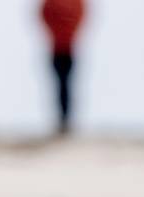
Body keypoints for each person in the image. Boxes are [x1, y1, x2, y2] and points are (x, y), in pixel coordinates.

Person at [42, 0, 87, 135]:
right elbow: (44, 14)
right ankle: (62, 121)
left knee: (67, 84)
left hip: (69, 48)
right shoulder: (52, 3)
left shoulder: (75, 3)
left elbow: (81, 15)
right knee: (60, 85)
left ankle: (66, 121)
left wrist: (71, 32)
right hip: (56, 48)